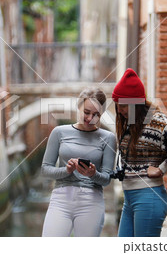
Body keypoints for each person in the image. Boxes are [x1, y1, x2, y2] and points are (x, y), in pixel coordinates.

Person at [112, 68, 167, 237]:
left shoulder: (156, 121)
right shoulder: (131, 122)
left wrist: (161, 169)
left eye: (123, 105)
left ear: (135, 103)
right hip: (130, 199)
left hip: (148, 198)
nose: (119, 110)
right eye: (118, 105)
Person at [41, 87, 116, 237]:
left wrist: (93, 174)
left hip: (91, 201)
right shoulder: (59, 132)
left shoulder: (108, 138)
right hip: (61, 199)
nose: (90, 118)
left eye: (96, 115)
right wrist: (66, 170)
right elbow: (45, 169)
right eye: (86, 112)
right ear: (78, 106)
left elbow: (107, 179)